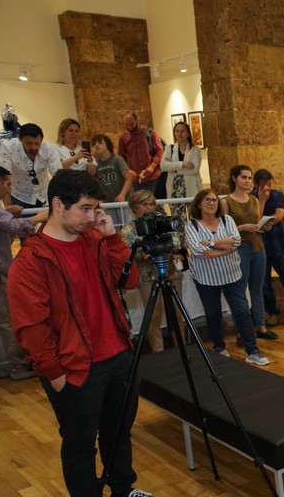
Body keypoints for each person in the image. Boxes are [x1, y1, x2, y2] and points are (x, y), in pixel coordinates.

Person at [8, 169, 164, 497]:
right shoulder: (31, 261)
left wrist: (112, 239)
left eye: (95, 208)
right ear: (57, 205)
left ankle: (122, 491)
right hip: (75, 367)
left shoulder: (95, 238)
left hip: (118, 354)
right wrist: (54, 372)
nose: (93, 216)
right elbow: (31, 327)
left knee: (118, 430)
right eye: (85, 208)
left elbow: (128, 281)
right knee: (80, 442)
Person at [183, 189, 269, 366]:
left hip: (232, 274)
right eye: (207, 200)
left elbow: (236, 242)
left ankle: (253, 351)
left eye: (214, 200)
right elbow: (198, 250)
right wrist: (225, 248)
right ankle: (219, 348)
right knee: (213, 314)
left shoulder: (226, 220)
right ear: (198, 204)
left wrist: (211, 244)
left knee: (242, 311)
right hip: (206, 278)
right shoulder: (191, 226)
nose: (211, 203)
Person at [0, 165, 48, 380]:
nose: (9, 189)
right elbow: (12, 226)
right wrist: (37, 218)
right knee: (6, 320)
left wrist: (7, 212)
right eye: (7, 184)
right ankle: (19, 367)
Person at [120, 190, 185, 353]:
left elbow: (177, 241)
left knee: (178, 313)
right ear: (134, 207)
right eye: (144, 204)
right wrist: (145, 253)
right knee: (153, 316)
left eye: (151, 204)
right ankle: (158, 354)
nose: (149, 208)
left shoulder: (162, 223)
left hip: (170, 270)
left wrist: (169, 250)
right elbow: (131, 251)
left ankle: (183, 349)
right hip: (147, 276)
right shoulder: (129, 229)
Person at [222, 165, 277, 341]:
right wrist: (241, 228)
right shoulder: (226, 202)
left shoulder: (253, 199)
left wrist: (265, 225)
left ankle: (261, 326)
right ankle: (242, 331)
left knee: (257, 289)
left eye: (249, 177)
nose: (247, 181)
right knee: (240, 291)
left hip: (257, 247)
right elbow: (223, 231)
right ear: (234, 178)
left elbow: (257, 223)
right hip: (239, 249)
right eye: (243, 177)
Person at [252, 169, 284, 325]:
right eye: (264, 185)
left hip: (279, 244)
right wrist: (262, 201)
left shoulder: (277, 195)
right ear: (256, 184)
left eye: (269, 184)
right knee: (264, 283)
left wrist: (263, 223)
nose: (267, 188)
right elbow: (254, 220)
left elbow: (279, 215)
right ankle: (272, 312)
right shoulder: (251, 199)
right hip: (260, 247)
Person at [0, 122, 60, 208]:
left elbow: (59, 175)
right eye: (29, 143)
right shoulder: (9, 147)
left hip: (44, 195)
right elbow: (4, 178)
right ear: (20, 138)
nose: (34, 147)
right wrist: (8, 205)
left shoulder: (48, 148)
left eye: (37, 143)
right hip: (19, 196)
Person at [159, 120, 202, 218]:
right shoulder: (169, 148)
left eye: (183, 131)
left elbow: (194, 170)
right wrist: (182, 164)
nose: (180, 133)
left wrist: (173, 169)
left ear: (188, 133)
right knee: (178, 220)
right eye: (177, 131)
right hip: (174, 190)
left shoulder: (195, 150)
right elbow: (163, 166)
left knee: (195, 218)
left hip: (192, 188)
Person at [90, 133, 134, 225]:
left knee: (128, 226)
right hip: (107, 203)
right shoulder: (95, 162)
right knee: (113, 227)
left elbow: (128, 178)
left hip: (122, 201)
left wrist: (122, 195)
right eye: (94, 144)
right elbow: (92, 178)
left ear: (107, 145)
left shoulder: (117, 159)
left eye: (100, 142)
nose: (96, 145)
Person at [117, 111, 163, 195]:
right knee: (139, 202)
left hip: (154, 177)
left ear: (137, 120)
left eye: (132, 124)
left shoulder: (150, 133)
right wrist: (128, 170)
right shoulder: (123, 137)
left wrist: (151, 167)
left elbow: (159, 151)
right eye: (127, 125)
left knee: (155, 202)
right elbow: (121, 158)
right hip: (137, 179)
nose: (129, 127)